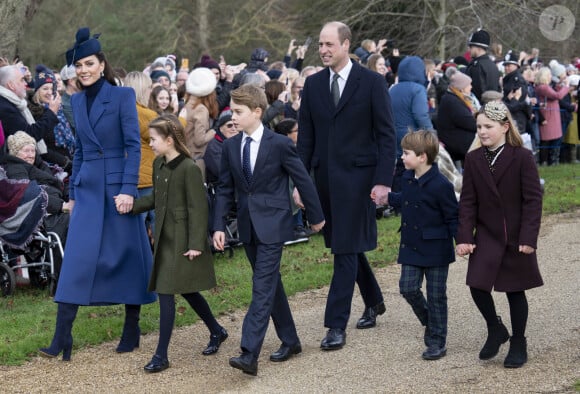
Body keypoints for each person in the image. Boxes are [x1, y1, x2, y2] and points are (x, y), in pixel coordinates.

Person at [38, 27, 156, 361]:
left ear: (101, 64)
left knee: (129, 257)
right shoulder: (75, 101)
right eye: (79, 65)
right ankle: (62, 337)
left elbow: (134, 147)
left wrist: (129, 190)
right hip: (88, 191)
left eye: (89, 63)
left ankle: (131, 327)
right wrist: (73, 193)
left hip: (118, 190)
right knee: (76, 261)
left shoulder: (121, 98)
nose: (84, 69)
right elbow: (79, 151)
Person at [296, 21, 396, 351]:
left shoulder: (371, 82)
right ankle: (374, 300)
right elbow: (306, 140)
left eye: (329, 44)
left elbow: (385, 136)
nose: (323, 50)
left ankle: (335, 324)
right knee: (346, 245)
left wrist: (383, 181)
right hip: (325, 183)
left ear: (346, 45)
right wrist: (300, 184)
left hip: (360, 182)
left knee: (344, 250)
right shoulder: (311, 86)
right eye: (320, 45)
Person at [212, 84, 325, 376]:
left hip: (274, 225)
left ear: (257, 112)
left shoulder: (280, 144)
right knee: (270, 283)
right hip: (248, 226)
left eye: (238, 112)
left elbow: (303, 180)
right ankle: (290, 340)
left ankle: (249, 352)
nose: (232, 118)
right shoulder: (230, 146)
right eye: (231, 112)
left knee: (261, 286)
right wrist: (218, 226)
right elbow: (225, 189)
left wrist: (316, 216)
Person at [129, 114, 227, 373]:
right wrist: (130, 206)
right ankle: (217, 330)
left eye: (154, 139)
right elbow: (155, 200)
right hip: (166, 239)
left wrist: (197, 243)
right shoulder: (160, 165)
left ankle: (161, 355)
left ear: (170, 140)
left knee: (166, 293)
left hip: (183, 240)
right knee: (187, 291)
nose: (150, 143)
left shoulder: (188, 168)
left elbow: (199, 209)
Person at [456, 101, 543, 369]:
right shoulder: (473, 159)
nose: (482, 132)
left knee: (515, 290)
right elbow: (468, 201)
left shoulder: (522, 157)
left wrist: (529, 238)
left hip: (515, 236)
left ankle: (518, 341)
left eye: (488, 127)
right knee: (477, 285)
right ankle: (495, 328)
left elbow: (532, 200)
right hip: (486, 234)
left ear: (505, 127)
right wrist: (464, 237)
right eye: (479, 127)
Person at [386, 130, 458, 360]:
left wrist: (463, 241)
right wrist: (386, 198)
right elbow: (406, 199)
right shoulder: (407, 177)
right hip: (411, 245)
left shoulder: (441, 185)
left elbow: (452, 217)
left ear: (422, 157)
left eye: (406, 153)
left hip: (437, 248)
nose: (402, 157)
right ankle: (431, 321)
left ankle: (436, 341)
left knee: (436, 295)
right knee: (407, 288)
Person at [389, 56, 434, 192]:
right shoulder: (418, 89)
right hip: (411, 135)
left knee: (400, 167)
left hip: (394, 134)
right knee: (411, 168)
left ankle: (396, 199)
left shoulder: (393, 89)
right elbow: (420, 115)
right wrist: (431, 133)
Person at [123, 71, 158, 244]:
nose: (151, 91)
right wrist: (183, 118)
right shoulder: (145, 114)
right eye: (149, 87)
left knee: (135, 229)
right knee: (157, 224)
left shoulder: (121, 109)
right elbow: (168, 135)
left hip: (129, 176)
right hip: (147, 178)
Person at [0, 65, 60, 151]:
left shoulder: (12, 103)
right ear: (11, 85)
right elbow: (28, 137)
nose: (25, 83)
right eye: (22, 80)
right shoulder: (5, 108)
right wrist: (52, 112)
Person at [181, 67, 219, 181]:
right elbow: (199, 140)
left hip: (184, 159)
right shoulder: (201, 109)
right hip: (195, 161)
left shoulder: (187, 105)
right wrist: (213, 131)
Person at [436, 69, 477, 164]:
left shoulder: (454, 98)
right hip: (454, 142)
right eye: (469, 85)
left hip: (454, 138)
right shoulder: (452, 101)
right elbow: (469, 123)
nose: (471, 87)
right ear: (461, 88)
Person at [535, 66, 569, 165]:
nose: (551, 76)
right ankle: (547, 161)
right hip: (548, 116)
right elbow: (557, 96)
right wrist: (566, 86)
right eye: (549, 75)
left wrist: (559, 85)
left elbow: (556, 92)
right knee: (546, 139)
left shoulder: (544, 86)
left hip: (551, 115)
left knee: (552, 138)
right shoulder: (543, 87)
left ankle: (551, 160)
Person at [464, 29, 501, 102]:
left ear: (478, 48)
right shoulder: (492, 65)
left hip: (480, 107)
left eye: (471, 47)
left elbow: (477, 91)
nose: (469, 50)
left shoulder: (477, 66)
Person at [203, 110, 237, 185]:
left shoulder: (240, 142)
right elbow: (221, 173)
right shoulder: (213, 146)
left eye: (236, 125)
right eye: (229, 125)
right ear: (221, 128)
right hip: (221, 190)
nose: (234, 129)